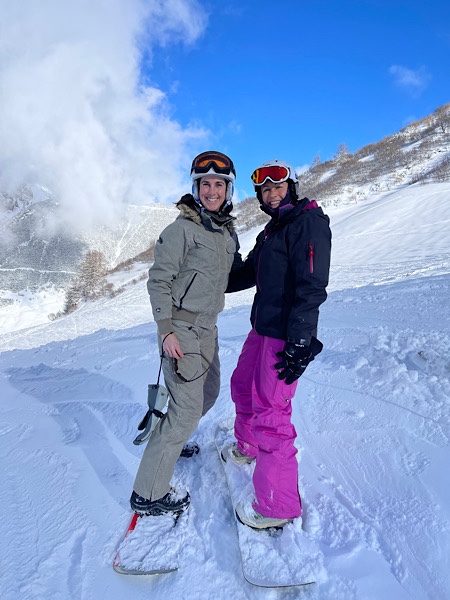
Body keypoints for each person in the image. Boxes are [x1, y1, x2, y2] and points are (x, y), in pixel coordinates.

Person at [130, 151, 242, 516]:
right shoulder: (181, 230)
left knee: (207, 394)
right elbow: (158, 281)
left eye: (219, 184)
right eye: (205, 184)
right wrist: (166, 331)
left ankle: (172, 444)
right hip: (181, 329)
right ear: (196, 188)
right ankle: (148, 494)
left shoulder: (225, 232)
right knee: (185, 412)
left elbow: (231, 277)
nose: (212, 191)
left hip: (208, 329)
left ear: (228, 190)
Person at [224, 159, 331, 529]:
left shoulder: (307, 223)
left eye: (278, 187)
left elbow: (312, 286)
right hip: (262, 327)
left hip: (285, 333)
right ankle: (248, 446)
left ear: (292, 188)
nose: (271, 193)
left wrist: (301, 338)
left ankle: (277, 506)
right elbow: (247, 273)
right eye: (265, 189)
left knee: (272, 412)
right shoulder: (273, 230)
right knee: (242, 385)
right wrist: (210, 278)